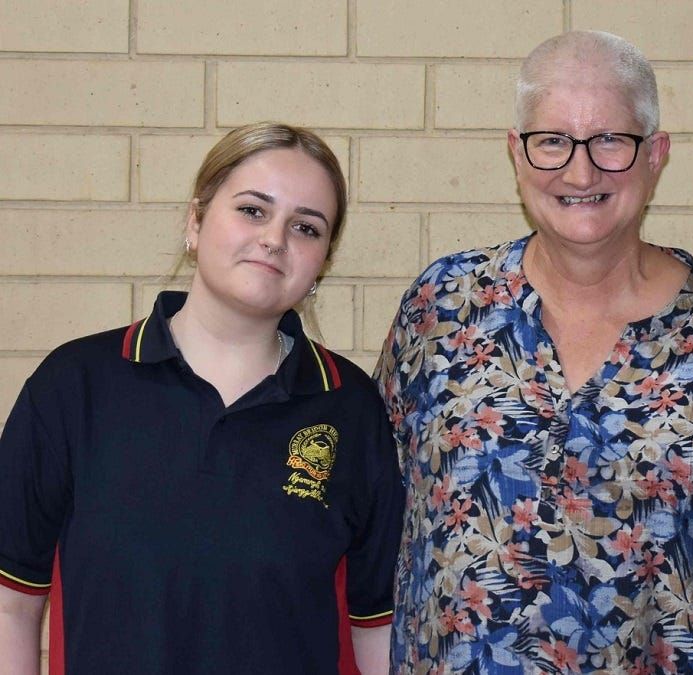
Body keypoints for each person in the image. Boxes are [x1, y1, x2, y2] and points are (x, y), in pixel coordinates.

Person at [376, 31, 693, 674]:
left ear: (656, 154)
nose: (580, 172)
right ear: (516, 153)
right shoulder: (441, 310)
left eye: (611, 140)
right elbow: (380, 516)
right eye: (552, 141)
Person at [0, 122, 403, 675]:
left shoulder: (350, 407)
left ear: (322, 264)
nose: (275, 239)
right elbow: (11, 605)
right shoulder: (75, 386)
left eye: (306, 227)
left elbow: (376, 627)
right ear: (195, 222)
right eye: (253, 210)